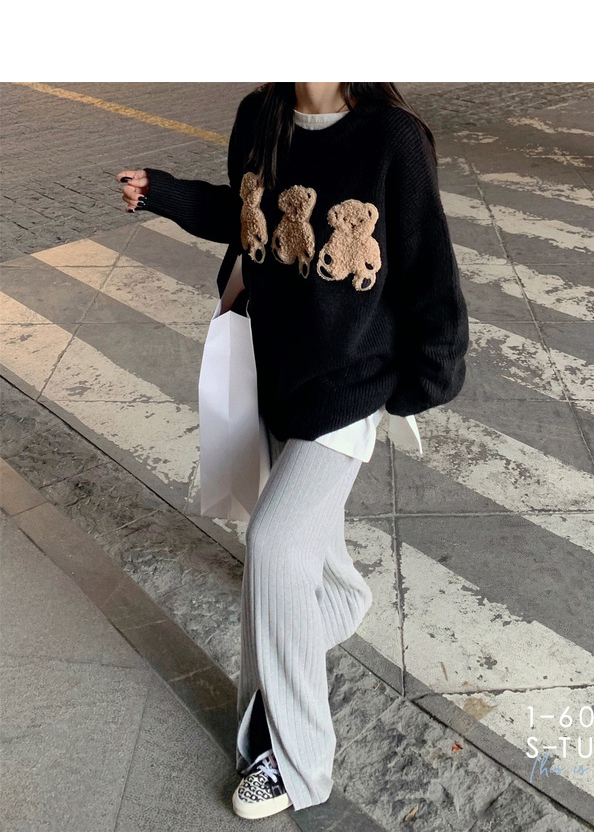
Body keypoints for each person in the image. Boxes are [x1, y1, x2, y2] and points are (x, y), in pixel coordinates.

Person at [116, 81, 469, 820]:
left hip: (350, 385)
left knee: (275, 543)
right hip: (275, 370)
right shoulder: (261, 116)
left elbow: (429, 271)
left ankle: (296, 761)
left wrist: (418, 383)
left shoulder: (391, 138)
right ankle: (340, 598)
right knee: (302, 537)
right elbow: (248, 215)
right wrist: (165, 194)